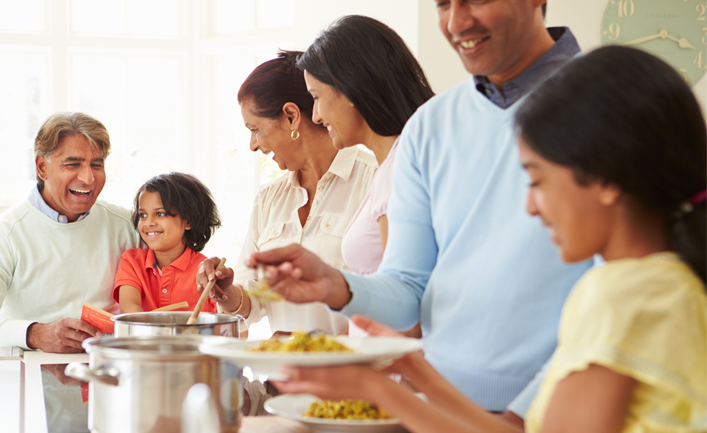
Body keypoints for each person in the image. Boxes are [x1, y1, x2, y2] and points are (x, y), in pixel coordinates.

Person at [273, 46, 707, 433]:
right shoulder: (663, 284)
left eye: (536, 181)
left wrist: (377, 388)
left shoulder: (623, 294)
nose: (531, 208)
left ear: (606, 178)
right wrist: (414, 372)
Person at [248, 0, 592, 416]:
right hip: (440, 409)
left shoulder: (611, 102)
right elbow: (408, 290)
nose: (456, 21)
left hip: (562, 410)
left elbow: (630, 285)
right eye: (444, 4)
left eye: (477, 0)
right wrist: (335, 284)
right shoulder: (431, 125)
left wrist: (523, 413)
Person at [195, 50, 377, 336]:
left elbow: (391, 300)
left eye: (255, 129)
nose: (252, 145)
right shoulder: (270, 198)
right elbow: (256, 296)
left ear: (291, 116)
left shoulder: (374, 180)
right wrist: (227, 293)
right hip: (284, 376)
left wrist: (314, 351)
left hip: (355, 374)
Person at [0, 112, 138, 353]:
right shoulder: (4, 236)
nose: (88, 178)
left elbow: (183, 267)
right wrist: (34, 334)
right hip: (33, 374)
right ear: (42, 167)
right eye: (73, 164)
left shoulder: (129, 226)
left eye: (96, 165)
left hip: (113, 370)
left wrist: (200, 271)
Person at [297, 15, 434, 277]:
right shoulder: (393, 165)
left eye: (316, 97)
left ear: (349, 89)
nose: (315, 116)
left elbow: (404, 301)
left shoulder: (399, 171)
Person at [114, 172, 221, 314]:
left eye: (160, 214)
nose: (149, 223)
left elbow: (232, 325)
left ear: (188, 221)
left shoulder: (207, 272)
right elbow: (130, 313)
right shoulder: (131, 262)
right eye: (143, 215)